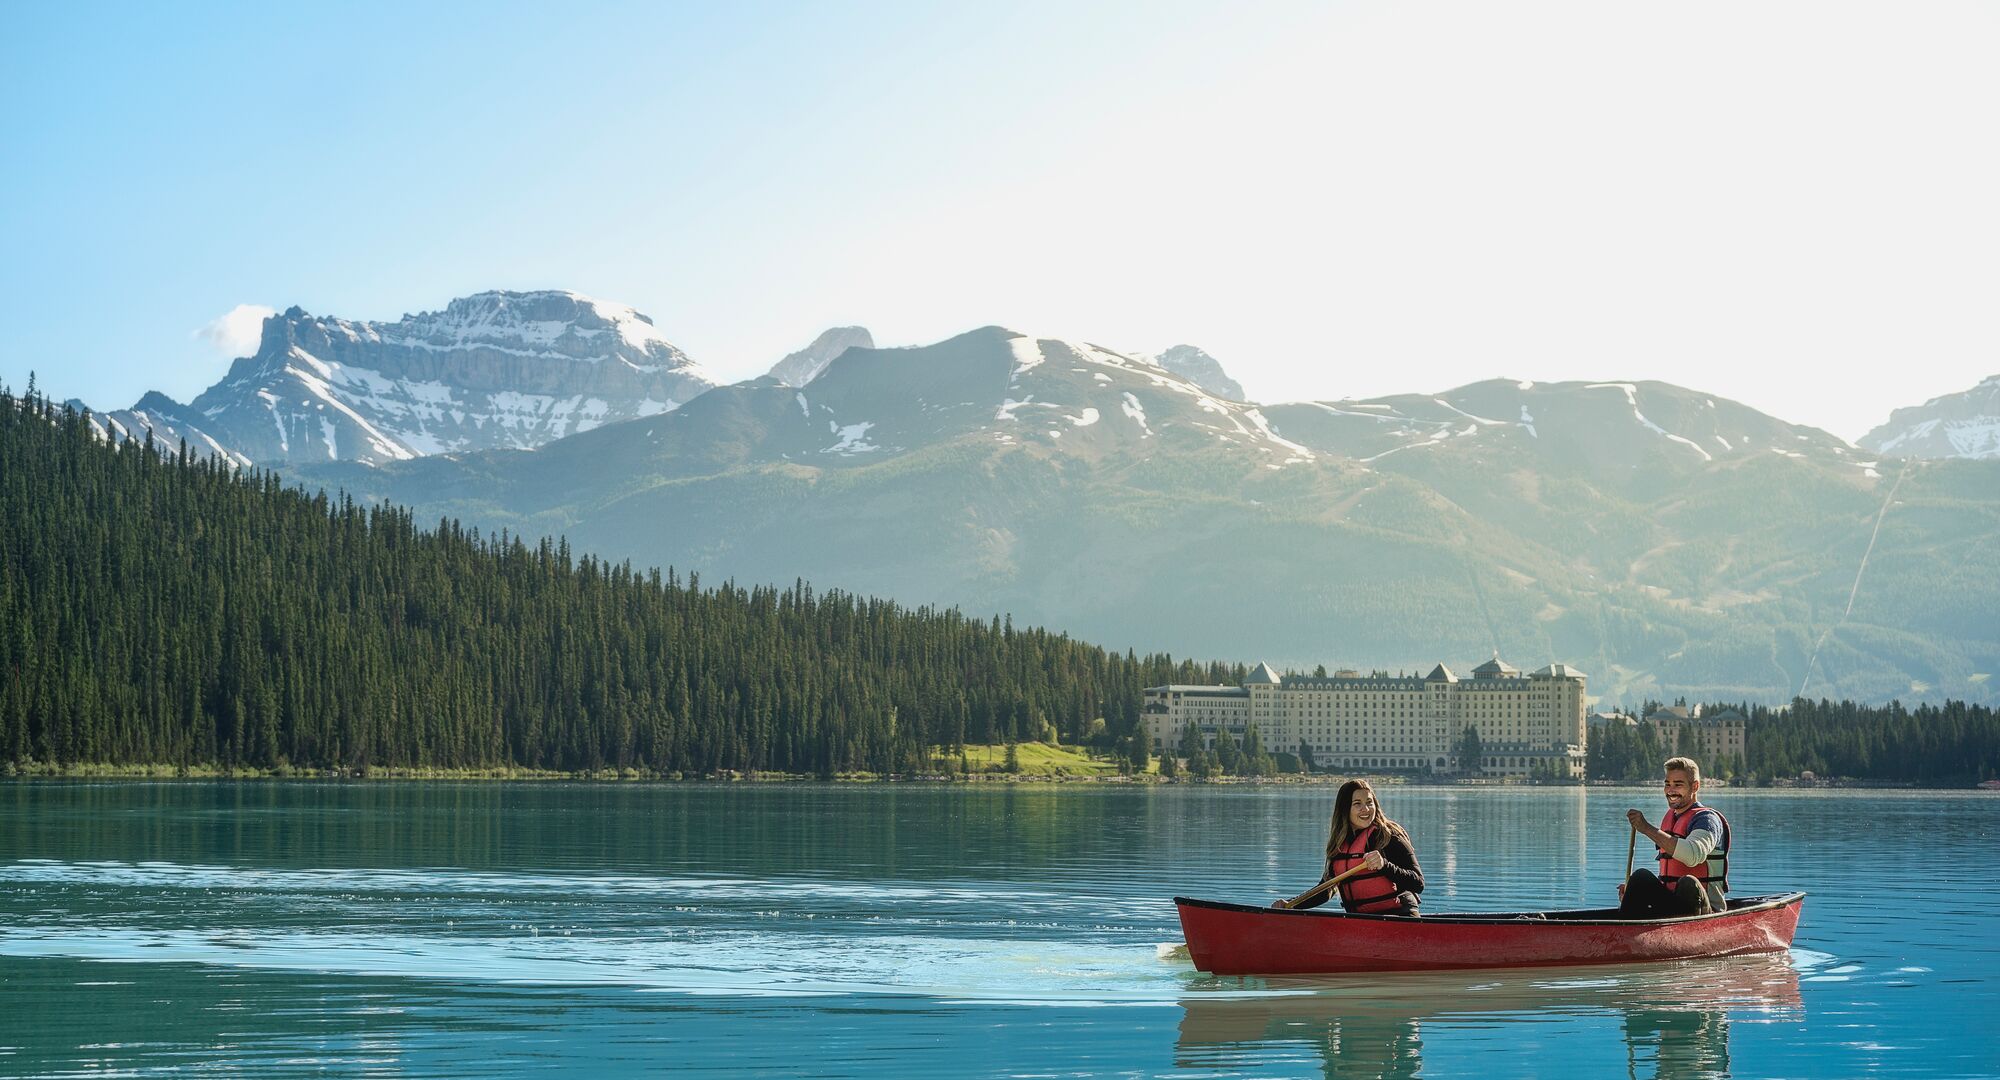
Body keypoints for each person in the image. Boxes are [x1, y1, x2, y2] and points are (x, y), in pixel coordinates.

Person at [1619, 756, 1731, 918]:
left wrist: (1647, 828)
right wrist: (1634, 894)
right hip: (1672, 907)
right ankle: (1623, 935)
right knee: (1640, 878)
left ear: (1695, 786)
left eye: (1678, 785)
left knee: (1688, 883)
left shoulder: (1706, 819)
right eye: (1667, 784)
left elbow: (1692, 856)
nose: (1671, 790)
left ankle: (1682, 935)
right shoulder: (1671, 819)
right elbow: (1671, 875)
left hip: (1705, 911)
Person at [1293, 778, 1423, 916]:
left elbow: (1418, 883)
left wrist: (1385, 865)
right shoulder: (1339, 845)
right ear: (1345, 808)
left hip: (1399, 916)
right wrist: (1292, 904)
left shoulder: (1389, 837)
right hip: (1360, 921)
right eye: (1357, 804)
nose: (1366, 809)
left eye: (1369, 803)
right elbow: (1326, 890)